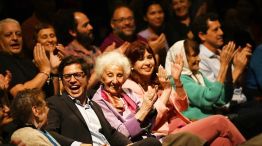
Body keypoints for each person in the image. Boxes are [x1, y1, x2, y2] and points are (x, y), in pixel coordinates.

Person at [122, 40, 245, 146]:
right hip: (165, 136)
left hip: (181, 126)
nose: (148, 62)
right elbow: (150, 122)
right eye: (141, 59)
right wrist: (167, 91)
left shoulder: (158, 80)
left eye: (149, 57)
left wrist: (177, 81)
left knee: (222, 142)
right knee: (220, 121)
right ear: (131, 64)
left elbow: (182, 106)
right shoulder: (131, 88)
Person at [45, 56, 161, 146]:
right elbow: (48, 134)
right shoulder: (56, 103)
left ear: (88, 78)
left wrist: (128, 144)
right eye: (67, 77)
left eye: (77, 75)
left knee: (152, 143)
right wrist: (79, 145)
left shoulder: (94, 105)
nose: (72, 80)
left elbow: (112, 133)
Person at [0, 18, 51, 98]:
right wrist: (45, 70)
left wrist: (54, 70)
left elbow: (52, 93)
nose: (15, 38)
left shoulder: (27, 60)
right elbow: (20, 94)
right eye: (8, 35)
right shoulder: (3, 60)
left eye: (19, 34)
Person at [32, 23, 64, 96]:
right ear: (36, 42)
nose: (50, 40)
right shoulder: (32, 66)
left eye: (52, 36)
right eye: (44, 37)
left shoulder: (61, 61)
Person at [138, 0, 169, 66]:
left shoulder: (165, 33)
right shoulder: (141, 36)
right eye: (152, 13)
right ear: (145, 17)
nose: (158, 16)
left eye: (160, 12)